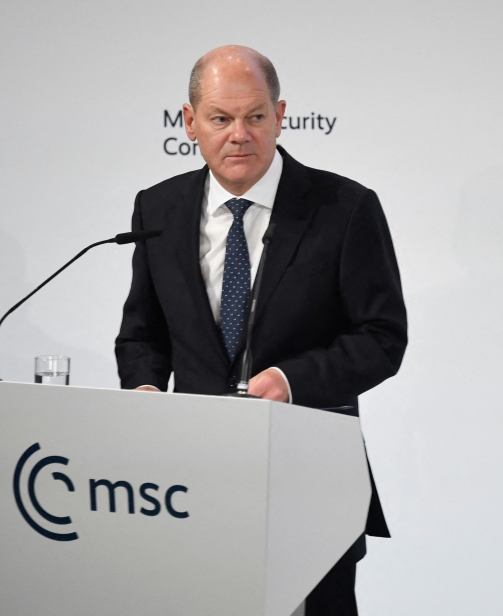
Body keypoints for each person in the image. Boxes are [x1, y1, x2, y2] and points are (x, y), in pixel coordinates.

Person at [115, 45, 407, 615]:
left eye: (254, 116)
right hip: (190, 482)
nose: (239, 135)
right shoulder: (158, 209)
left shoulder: (344, 207)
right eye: (220, 118)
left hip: (310, 481)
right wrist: (144, 392)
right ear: (189, 121)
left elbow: (382, 336)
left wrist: (291, 381)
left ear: (280, 115)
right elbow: (142, 334)